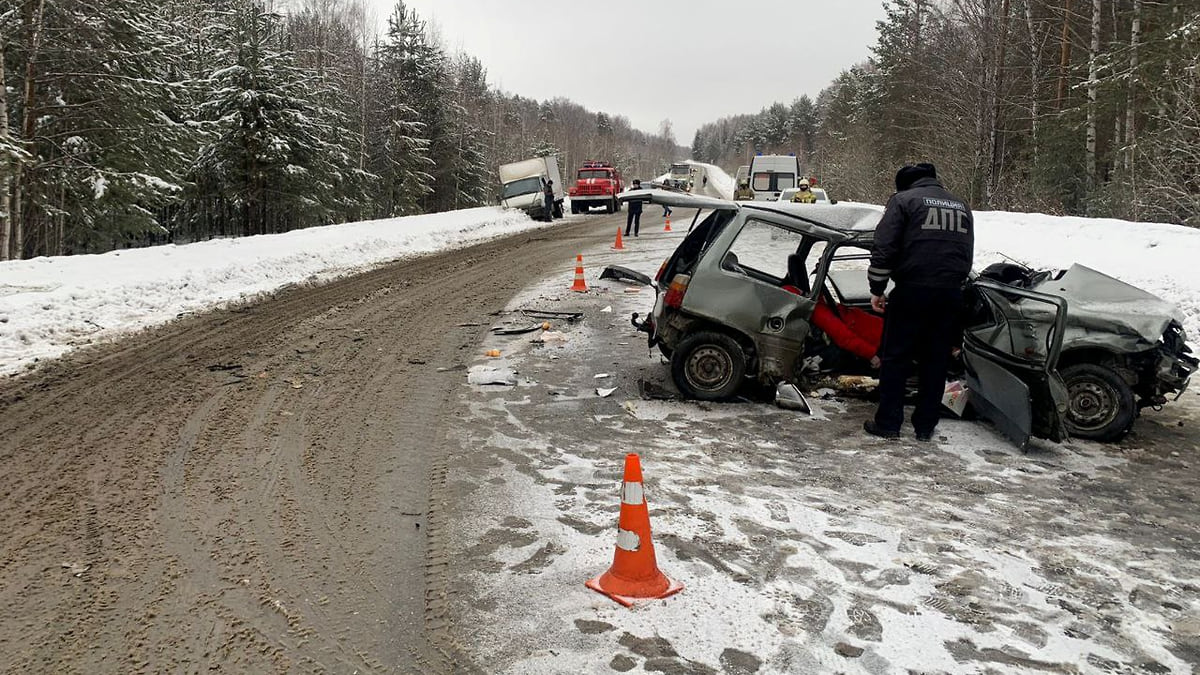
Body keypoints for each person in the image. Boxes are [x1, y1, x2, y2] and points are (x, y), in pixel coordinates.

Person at [864, 163, 974, 442]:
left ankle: (888, 423)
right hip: (950, 294)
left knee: (896, 358)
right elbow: (966, 253)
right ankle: (925, 427)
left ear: (905, 184)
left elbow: (884, 247)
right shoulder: (961, 205)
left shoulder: (903, 201)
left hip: (913, 291)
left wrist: (877, 288)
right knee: (935, 362)